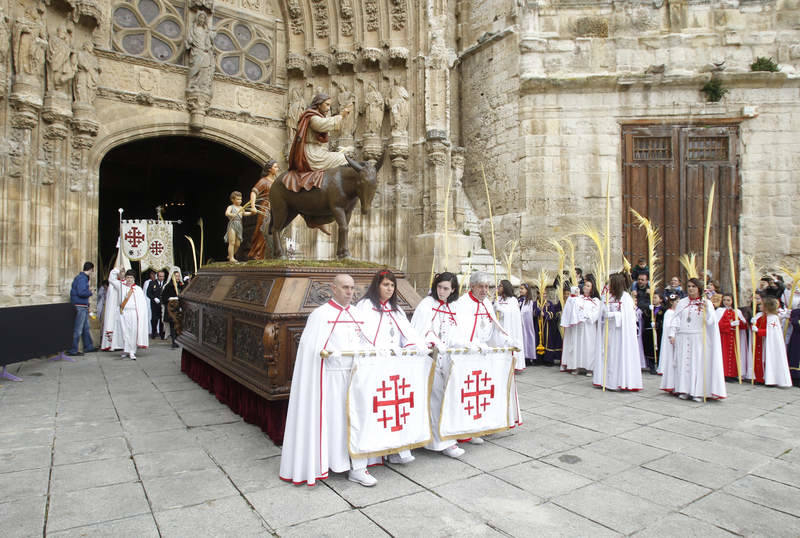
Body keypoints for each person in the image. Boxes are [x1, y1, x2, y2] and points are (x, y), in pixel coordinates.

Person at [279, 274, 380, 487]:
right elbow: (310, 350)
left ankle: (359, 467)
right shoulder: (320, 315)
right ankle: (331, 462)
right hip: (331, 379)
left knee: (358, 420)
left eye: (352, 288)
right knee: (335, 423)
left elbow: (369, 342)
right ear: (333, 288)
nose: (350, 292)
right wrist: (327, 352)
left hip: (357, 377)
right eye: (345, 287)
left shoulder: (358, 314)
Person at [356, 270, 426, 465]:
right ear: (376, 285)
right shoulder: (365, 306)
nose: (389, 288)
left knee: (398, 411)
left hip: (396, 368)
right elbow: (360, 335)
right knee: (378, 411)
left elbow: (408, 333)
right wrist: (379, 350)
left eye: (392, 285)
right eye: (386, 284)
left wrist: (416, 346)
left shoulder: (397, 309)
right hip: (375, 367)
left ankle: (397, 450)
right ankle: (375, 452)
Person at [452, 271, 515, 443]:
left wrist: (505, 339)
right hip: (468, 355)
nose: (484, 290)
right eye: (481, 286)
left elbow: (494, 328)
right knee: (469, 394)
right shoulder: (462, 304)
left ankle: (482, 425)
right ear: (471, 287)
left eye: (487, 287)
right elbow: (459, 332)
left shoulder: (487, 303)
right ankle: (467, 430)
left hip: (485, 355)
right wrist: (471, 345)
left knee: (483, 394)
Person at [410, 272, 467, 459]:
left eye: (446, 288)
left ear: (452, 290)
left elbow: (457, 332)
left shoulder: (453, 307)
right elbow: (420, 330)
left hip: (448, 359)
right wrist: (433, 341)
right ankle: (441, 442)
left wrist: (461, 344)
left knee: (448, 399)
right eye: (439, 287)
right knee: (435, 400)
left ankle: (446, 436)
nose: (442, 292)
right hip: (430, 359)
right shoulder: (427, 305)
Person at [663, 278, 726, 401]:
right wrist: (672, 334)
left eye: (694, 286)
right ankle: (684, 389)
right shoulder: (682, 302)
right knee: (683, 364)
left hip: (698, 337)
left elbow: (711, 322)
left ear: (699, 289)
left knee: (696, 364)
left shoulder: (706, 303)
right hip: (683, 336)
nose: (691, 288)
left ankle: (697, 392)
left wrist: (707, 309)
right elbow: (676, 318)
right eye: (689, 286)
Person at [285, 93, 356, 192]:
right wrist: (341, 116)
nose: (328, 108)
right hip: (312, 154)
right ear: (318, 104)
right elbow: (322, 124)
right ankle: (337, 188)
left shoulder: (315, 116)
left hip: (317, 152)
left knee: (342, 155)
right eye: (327, 104)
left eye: (329, 105)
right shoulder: (312, 117)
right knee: (343, 158)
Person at [593, 273, 643, 391]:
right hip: (607, 331)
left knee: (617, 356)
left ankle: (618, 381)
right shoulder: (606, 297)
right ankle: (606, 380)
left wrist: (614, 315)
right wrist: (603, 312)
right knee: (607, 355)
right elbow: (601, 312)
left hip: (619, 333)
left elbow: (629, 317)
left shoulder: (626, 298)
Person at [561, 275, 601, 376]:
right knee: (577, 346)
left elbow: (595, 314)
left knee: (589, 347)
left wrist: (585, 315)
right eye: (585, 285)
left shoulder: (595, 301)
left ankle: (589, 368)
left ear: (592, 288)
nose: (585, 287)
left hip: (589, 327)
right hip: (578, 327)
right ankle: (576, 366)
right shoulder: (579, 298)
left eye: (588, 286)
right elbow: (571, 306)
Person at [108, 268, 149, 360]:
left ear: (134, 278)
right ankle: (126, 350)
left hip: (133, 313)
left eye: (131, 277)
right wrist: (118, 271)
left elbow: (142, 305)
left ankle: (132, 351)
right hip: (123, 313)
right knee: (124, 332)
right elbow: (111, 279)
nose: (129, 279)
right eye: (128, 277)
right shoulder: (121, 286)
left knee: (133, 332)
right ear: (125, 278)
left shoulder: (138, 289)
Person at [751, 297, 792, 387]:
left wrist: (758, 330)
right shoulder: (762, 316)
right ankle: (763, 378)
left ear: (766, 307)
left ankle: (772, 379)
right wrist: (754, 323)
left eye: (761, 304)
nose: (759, 305)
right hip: (764, 343)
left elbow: (771, 332)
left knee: (770, 359)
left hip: (771, 345)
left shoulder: (773, 318)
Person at [247, 160, 278, 260]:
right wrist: (253, 206)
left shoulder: (277, 181)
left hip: (276, 209)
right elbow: (254, 192)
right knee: (262, 231)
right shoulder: (264, 181)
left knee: (274, 231)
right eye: (275, 167)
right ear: (270, 169)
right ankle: (257, 255)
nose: (277, 169)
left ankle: (272, 255)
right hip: (265, 208)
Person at [494, 279, 526, 371]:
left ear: (505, 288)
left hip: (509, 328)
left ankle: (513, 365)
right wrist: (495, 307)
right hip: (500, 326)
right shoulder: (498, 299)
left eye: (500, 286)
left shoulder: (513, 300)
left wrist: (500, 308)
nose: (498, 288)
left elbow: (513, 314)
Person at [716, 293, 748, 379]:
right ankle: (725, 374)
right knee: (724, 356)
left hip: (735, 337)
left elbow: (744, 325)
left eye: (728, 300)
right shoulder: (719, 311)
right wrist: (730, 324)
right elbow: (718, 325)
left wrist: (739, 323)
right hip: (724, 337)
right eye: (724, 300)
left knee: (734, 356)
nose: (726, 302)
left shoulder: (737, 312)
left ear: (733, 301)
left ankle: (733, 374)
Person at [68, 261, 97, 356]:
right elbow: (81, 292)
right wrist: (90, 292)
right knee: (78, 329)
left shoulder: (82, 278)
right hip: (80, 306)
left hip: (82, 306)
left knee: (85, 327)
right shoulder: (82, 278)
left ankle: (88, 346)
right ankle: (73, 350)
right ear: (91, 269)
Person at [224, 190, 254, 263]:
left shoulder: (241, 208)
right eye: (238, 199)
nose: (240, 201)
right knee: (232, 242)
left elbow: (244, 214)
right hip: (232, 225)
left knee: (238, 244)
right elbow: (227, 213)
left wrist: (252, 213)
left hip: (239, 226)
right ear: (232, 200)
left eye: (240, 199)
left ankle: (231, 254)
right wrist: (232, 215)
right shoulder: (231, 207)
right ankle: (231, 258)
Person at [656, 292, 678, 379]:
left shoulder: (677, 312)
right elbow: (667, 325)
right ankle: (664, 367)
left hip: (675, 333)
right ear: (672, 302)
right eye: (676, 302)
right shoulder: (669, 312)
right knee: (668, 351)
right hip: (670, 335)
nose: (678, 304)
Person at [541, 286, 563, 367]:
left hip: (548, 326)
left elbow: (552, 313)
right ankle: (539, 359)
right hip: (538, 326)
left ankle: (549, 359)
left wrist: (545, 314)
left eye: (545, 294)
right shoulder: (536, 303)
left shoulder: (549, 303)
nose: (544, 295)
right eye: (542, 294)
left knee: (548, 341)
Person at [162, 270, 184, 348]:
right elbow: (163, 298)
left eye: (178, 276)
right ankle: (173, 341)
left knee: (178, 325)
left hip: (179, 308)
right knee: (172, 325)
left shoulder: (181, 285)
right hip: (171, 309)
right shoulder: (168, 286)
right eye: (176, 276)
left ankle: (178, 340)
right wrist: (171, 299)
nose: (178, 277)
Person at [518, 283, 538, 367]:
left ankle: (528, 357)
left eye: (522, 289)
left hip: (526, 324)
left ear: (527, 290)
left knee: (527, 338)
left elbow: (528, 313)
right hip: (519, 323)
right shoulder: (518, 300)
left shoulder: (529, 302)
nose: (520, 290)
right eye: (520, 288)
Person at [147, 270, 166, 339]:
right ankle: (153, 332)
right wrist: (154, 298)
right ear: (157, 276)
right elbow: (148, 293)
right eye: (160, 276)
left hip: (163, 304)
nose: (161, 278)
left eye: (163, 276)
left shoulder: (166, 283)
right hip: (155, 305)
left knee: (162, 320)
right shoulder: (152, 283)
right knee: (154, 319)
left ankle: (162, 333)